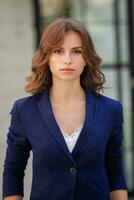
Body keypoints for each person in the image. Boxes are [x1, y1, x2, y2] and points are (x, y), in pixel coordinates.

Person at [3, 18, 128, 200]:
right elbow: (13, 172)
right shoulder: (25, 110)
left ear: (86, 58)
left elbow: (115, 173)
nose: (67, 60)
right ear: (47, 58)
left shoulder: (110, 110)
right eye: (58, 51)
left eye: (76, 51)